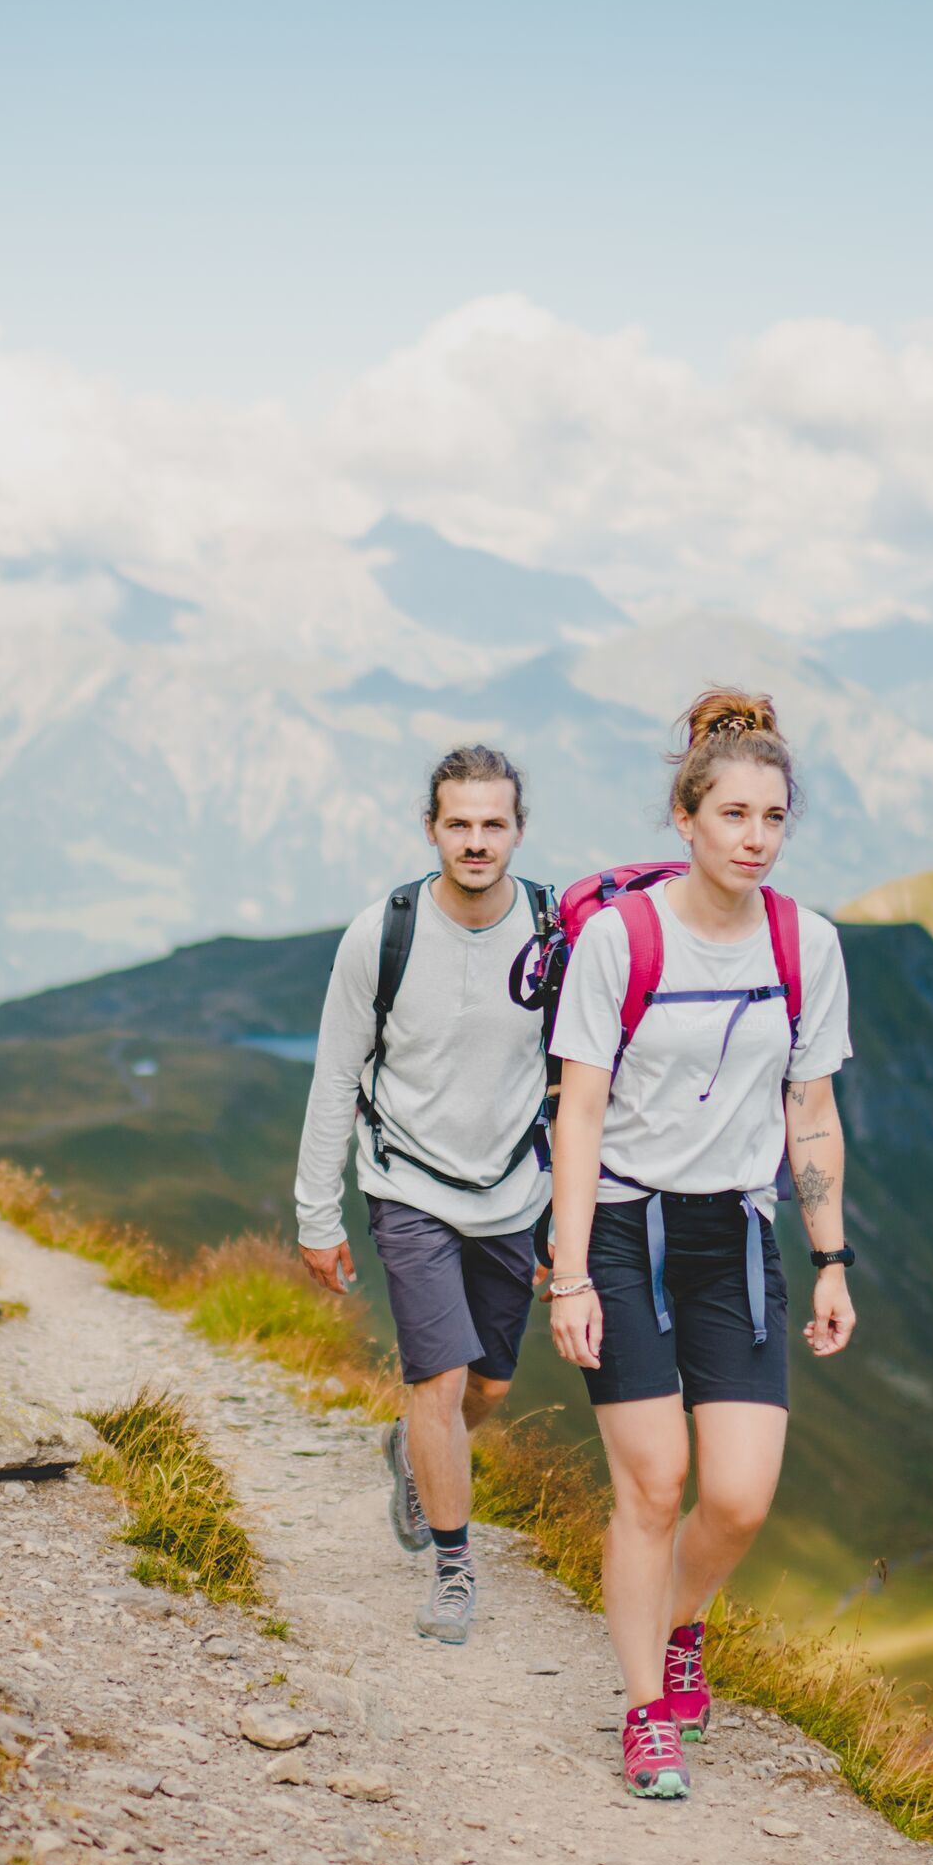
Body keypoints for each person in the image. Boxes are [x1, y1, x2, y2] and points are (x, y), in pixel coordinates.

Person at [544, 689, 857, 1801]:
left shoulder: (803, 944)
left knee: (738, 1499)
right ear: (686, 817)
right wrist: (570, 1274)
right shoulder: (623, 940)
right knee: (656, 1485)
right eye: (734, 814)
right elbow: (576, 1113)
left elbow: (807, 1108)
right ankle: (644, 1710)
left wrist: (829, 1259)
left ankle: (679, 1623)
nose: (756, 838)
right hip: (627, 1230)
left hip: (739, 1232)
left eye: (774, 818)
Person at [294, 745, 554, 1646]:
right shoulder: (384, 932)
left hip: (515, 1193)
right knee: (437, 1379)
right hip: (407, 1185)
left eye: (493, 824)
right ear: (431, 826)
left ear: (519, 829)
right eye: (459, 823)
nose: (476, 841)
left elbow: (578, 1080)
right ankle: (453, 1565)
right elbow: (335, 1076)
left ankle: (415, 1450)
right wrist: (316, 1215)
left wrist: (569, 1212)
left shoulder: (557, 934)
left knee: (489, 1383)